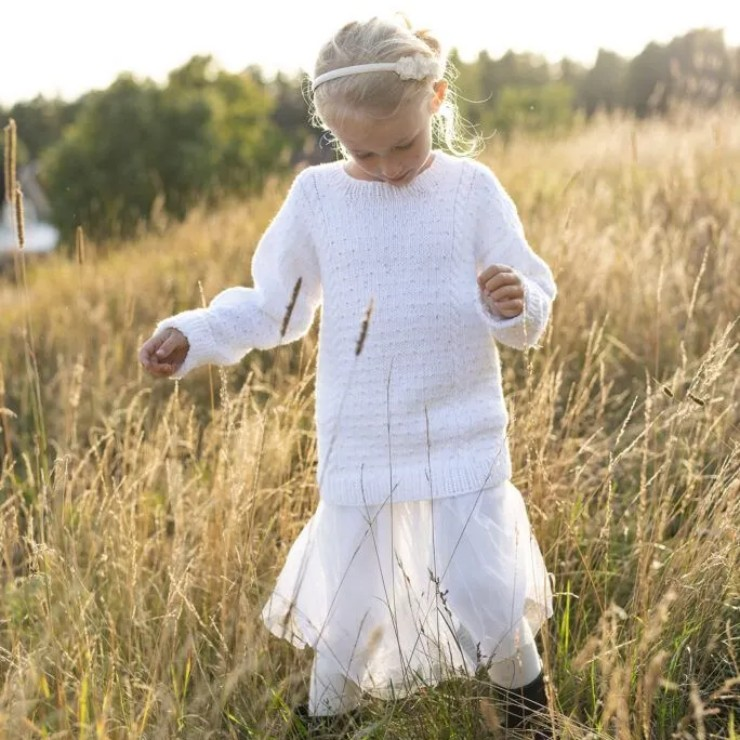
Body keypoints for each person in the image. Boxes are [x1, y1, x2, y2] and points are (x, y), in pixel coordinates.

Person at [139, 15, 557, 735]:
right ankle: (330, 720)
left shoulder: (471, 190)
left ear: (436, 99)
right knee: (351, 604)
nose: (390, 166)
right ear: (333, 132)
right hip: (362, 444)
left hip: (461, 435)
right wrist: (194, 332)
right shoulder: (319, 199)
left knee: (488, 591)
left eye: (404, 144)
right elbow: (276, 308)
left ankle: (531, 717)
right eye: (365, 150)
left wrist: (513, 303)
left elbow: (530, 301)